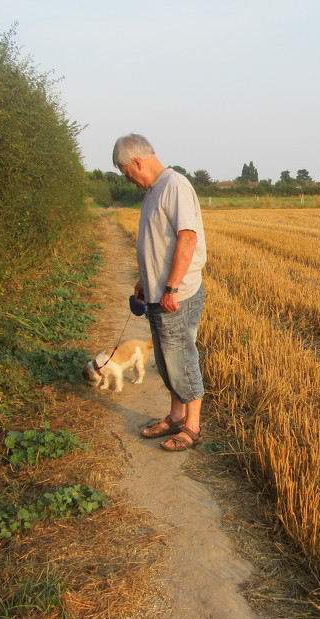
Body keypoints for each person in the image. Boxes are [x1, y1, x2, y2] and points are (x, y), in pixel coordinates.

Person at [113, 134, 207, 451]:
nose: (130, 180)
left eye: (128, 173)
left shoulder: (174, 185)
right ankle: (176, 417)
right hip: (156, 292)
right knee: (167, 361)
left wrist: (171, 287)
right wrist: (145, 278)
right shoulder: (154, 191)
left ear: (138, 162)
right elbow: (156, 243)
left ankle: (192, 427)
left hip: (176, 295)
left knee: (181, 358)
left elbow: (187, 238)